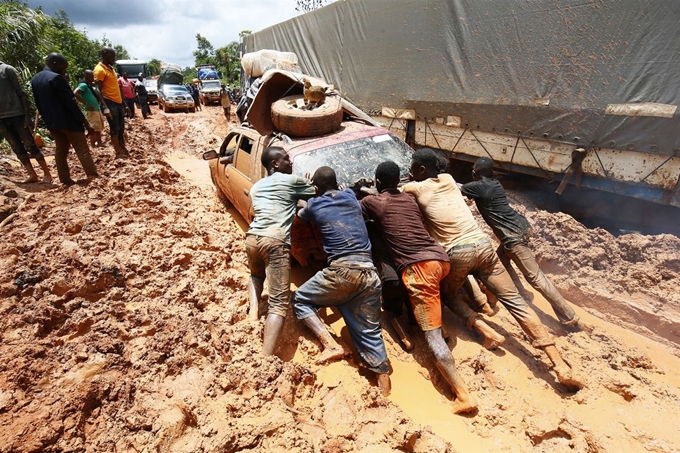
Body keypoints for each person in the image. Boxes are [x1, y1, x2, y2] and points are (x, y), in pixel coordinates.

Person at [402, 148, 583, 390]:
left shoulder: (413, 188)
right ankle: (558, 363)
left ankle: (481, 325)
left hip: (457, 254)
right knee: (516, 301)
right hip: (484, 246)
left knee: (447, 295)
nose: (409, 171)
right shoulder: (446, 179)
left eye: (412, 167)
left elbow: (391, 192)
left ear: (421, 170)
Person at [362, 161, 501, 413]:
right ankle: (485, 330)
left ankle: (463, 395)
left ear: (378, 182)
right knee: (445, 297)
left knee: (432, 336)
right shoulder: (410, 198)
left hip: (420, 269)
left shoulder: (374, 203)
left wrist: (365, 193)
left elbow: (356, 209)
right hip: (442, 259)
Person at [293, 166, 391, 396]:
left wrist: (308, 192)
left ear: (316, 187)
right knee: (369, 330)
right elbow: (347, 191)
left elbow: (300, 213)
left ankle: (331, 345)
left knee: (300, 299)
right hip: (369, 273)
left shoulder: (314, 205)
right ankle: (383, 382)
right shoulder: (348, 195)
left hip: (342, 271)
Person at [461, 157, 581, 328]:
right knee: (501, 259)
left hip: (512, 237)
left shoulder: (476, 186)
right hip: (522, 227)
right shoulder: (495, 183)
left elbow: (454, 189)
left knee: (535, 277)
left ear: (474, 173)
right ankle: (520, 293)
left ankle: (570, 316)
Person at [246, 146, 316, 355]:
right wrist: (307, 183)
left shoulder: (256, 187)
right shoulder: (292, 181)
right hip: (275, 242)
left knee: (255, 275)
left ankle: (253, 312)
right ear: (275, 164)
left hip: (252, 239)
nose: (291, 162)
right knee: (278, 304)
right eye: (286, 159)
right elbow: (316, 192)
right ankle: (265, 357)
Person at [31, 53, 98, 185]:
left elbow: (38, 104)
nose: (64, 71)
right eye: (64, 67)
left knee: (60, 151)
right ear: (55, 64)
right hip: (69, 122)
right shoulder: (57, 78)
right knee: (82, 149)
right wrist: (85, 123)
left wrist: (48, 123)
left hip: (53, 123)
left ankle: (65, 179)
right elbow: (70, 103)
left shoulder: (35, 79)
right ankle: (93, 177)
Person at [0, 60, 52, 183]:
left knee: (30, 145)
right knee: (16, 147)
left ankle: (47, 174)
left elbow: (22, 93)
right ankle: (32, 174)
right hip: (1, 119)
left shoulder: (7, 69)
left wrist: (27, 116)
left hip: (17, 114)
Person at [93, 47, 130, 157]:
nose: (114, 58)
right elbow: (97, 89)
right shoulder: (99, 70)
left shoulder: (111, 69)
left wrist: (124, 104)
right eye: (112, 56)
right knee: (115, 128)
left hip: (118, 103)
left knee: (121, 127)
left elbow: (117, 89)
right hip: (109, 103)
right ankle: (117, 151)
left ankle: (121, 146)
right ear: (105, 54)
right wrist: (105, 107)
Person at [74, 70, 108, 148]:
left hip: (96, 109)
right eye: (91, 76)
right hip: (91, 110)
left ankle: (99, 142)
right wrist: (86, 104)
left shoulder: (89, 85)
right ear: (86, 75)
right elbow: (76, 93)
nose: (93, 78)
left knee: (98, 128)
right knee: (93, 128)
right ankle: (93, 145)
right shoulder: (83, 85)